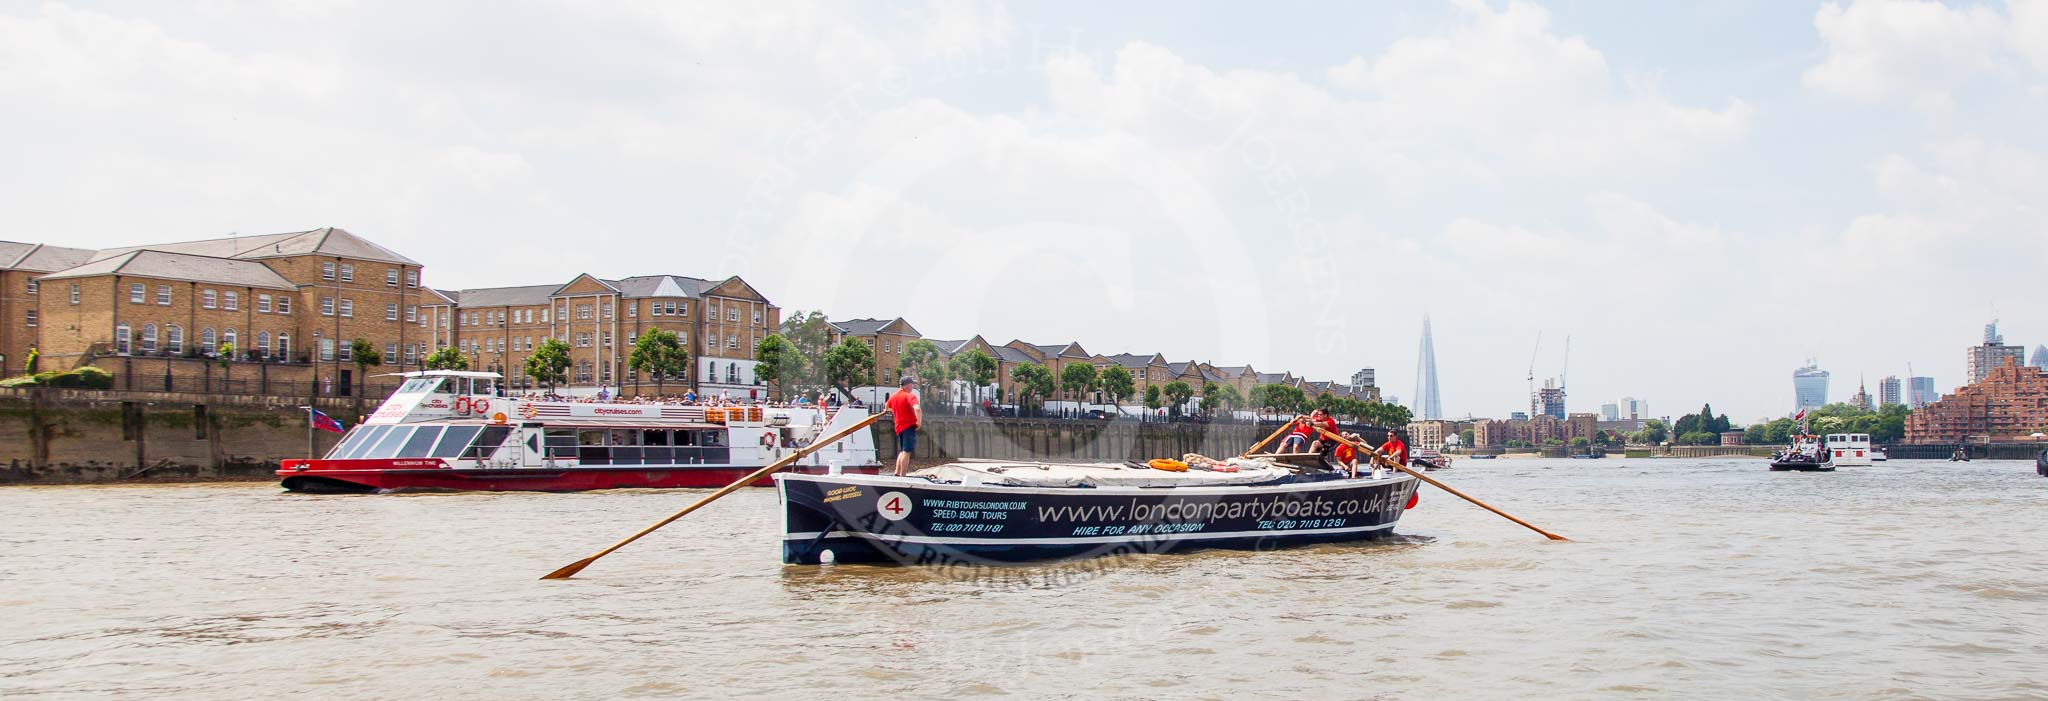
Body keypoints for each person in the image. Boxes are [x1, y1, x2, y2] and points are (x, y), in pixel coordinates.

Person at [885, 376, 922, 477]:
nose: (913, 386)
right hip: (909, 426)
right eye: (912, 384)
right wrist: (918, 422)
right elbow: (917, 409)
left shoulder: (893, 396)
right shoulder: (910, 396)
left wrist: (896, 412)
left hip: (899, 427)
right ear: (908, 385)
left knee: (903, 450)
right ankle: (903, 475)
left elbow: (886, 407)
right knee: (907, 451)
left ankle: (897, 472)